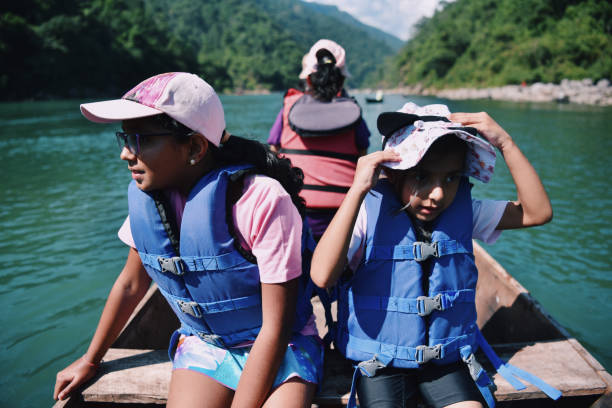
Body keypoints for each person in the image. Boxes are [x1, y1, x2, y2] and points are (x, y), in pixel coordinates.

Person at [53, 72, 323, 408]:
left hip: (282, 346)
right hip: (207, 345)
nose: (125, 153)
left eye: (141, 140)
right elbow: (130, 285)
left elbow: (275, 329)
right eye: (124, 138)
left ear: (194, 146)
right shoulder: (153, 200)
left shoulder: (261, 200)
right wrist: (90, 360)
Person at [310, 102, 559, 408]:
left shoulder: (467, 213)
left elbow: (537, 212)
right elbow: (322, 275)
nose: (438, 193)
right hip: (380, 361)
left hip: (445, 361)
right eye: (422, 177)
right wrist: (356, 191)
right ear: (394, 173)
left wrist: (506, 143)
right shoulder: (367, 214)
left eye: (451, 178)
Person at [268, 39, 371, 240]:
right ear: (342, 80)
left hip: (295, 212)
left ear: (308, 79)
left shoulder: (289, 107)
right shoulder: (354, 111)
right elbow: (363, 156)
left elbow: (272, 151)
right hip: (344, 215)